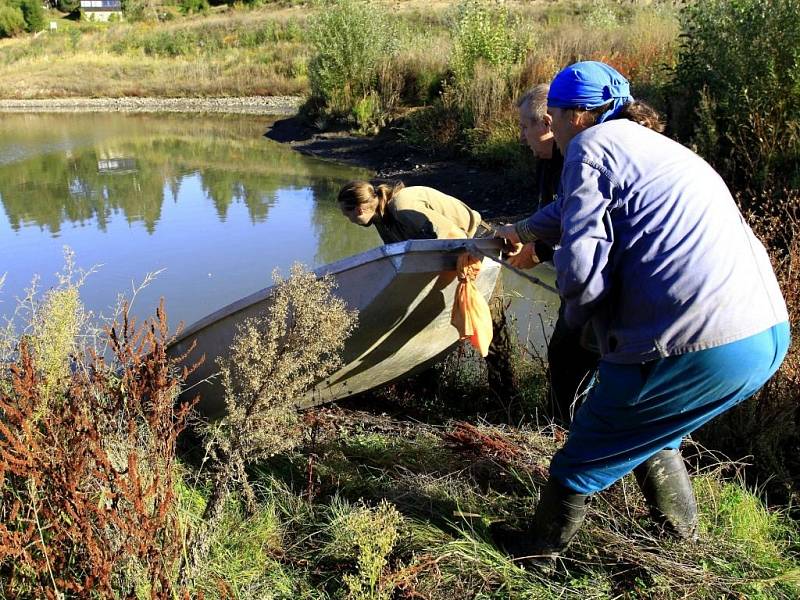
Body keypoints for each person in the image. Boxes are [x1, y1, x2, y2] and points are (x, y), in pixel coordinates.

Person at [492, 61, 790, 558]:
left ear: (575, 116)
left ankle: (537, 553)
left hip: (692, 343)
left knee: (580, 455)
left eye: (554, 116)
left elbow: (583, 275)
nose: (554, 128)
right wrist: (522, 230)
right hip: (763, 335)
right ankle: (681, 541)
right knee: (653, 433)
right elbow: (571, 209)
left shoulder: (586, 147)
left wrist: (576, 324)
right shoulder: (657, 147)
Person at [507, 84, 600, 425]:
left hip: (596, 280)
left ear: (547, 123)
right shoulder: (547, 160)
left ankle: (565, 434)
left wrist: (538, 249)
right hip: (577, 277)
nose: (521, 136)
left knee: (568, 355)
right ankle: (568, 428)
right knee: (570, 355)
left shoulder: (575, 159)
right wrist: (524, 237)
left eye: (524, 127)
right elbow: (553, 215)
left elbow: (584, 224)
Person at [337, 180, 487, 242]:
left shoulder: (402, 206)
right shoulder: (380, 220)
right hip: (461, 250)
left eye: (347, 214)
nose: (348, 219)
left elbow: (455, 236)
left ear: (359, 210)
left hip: (481, 241)